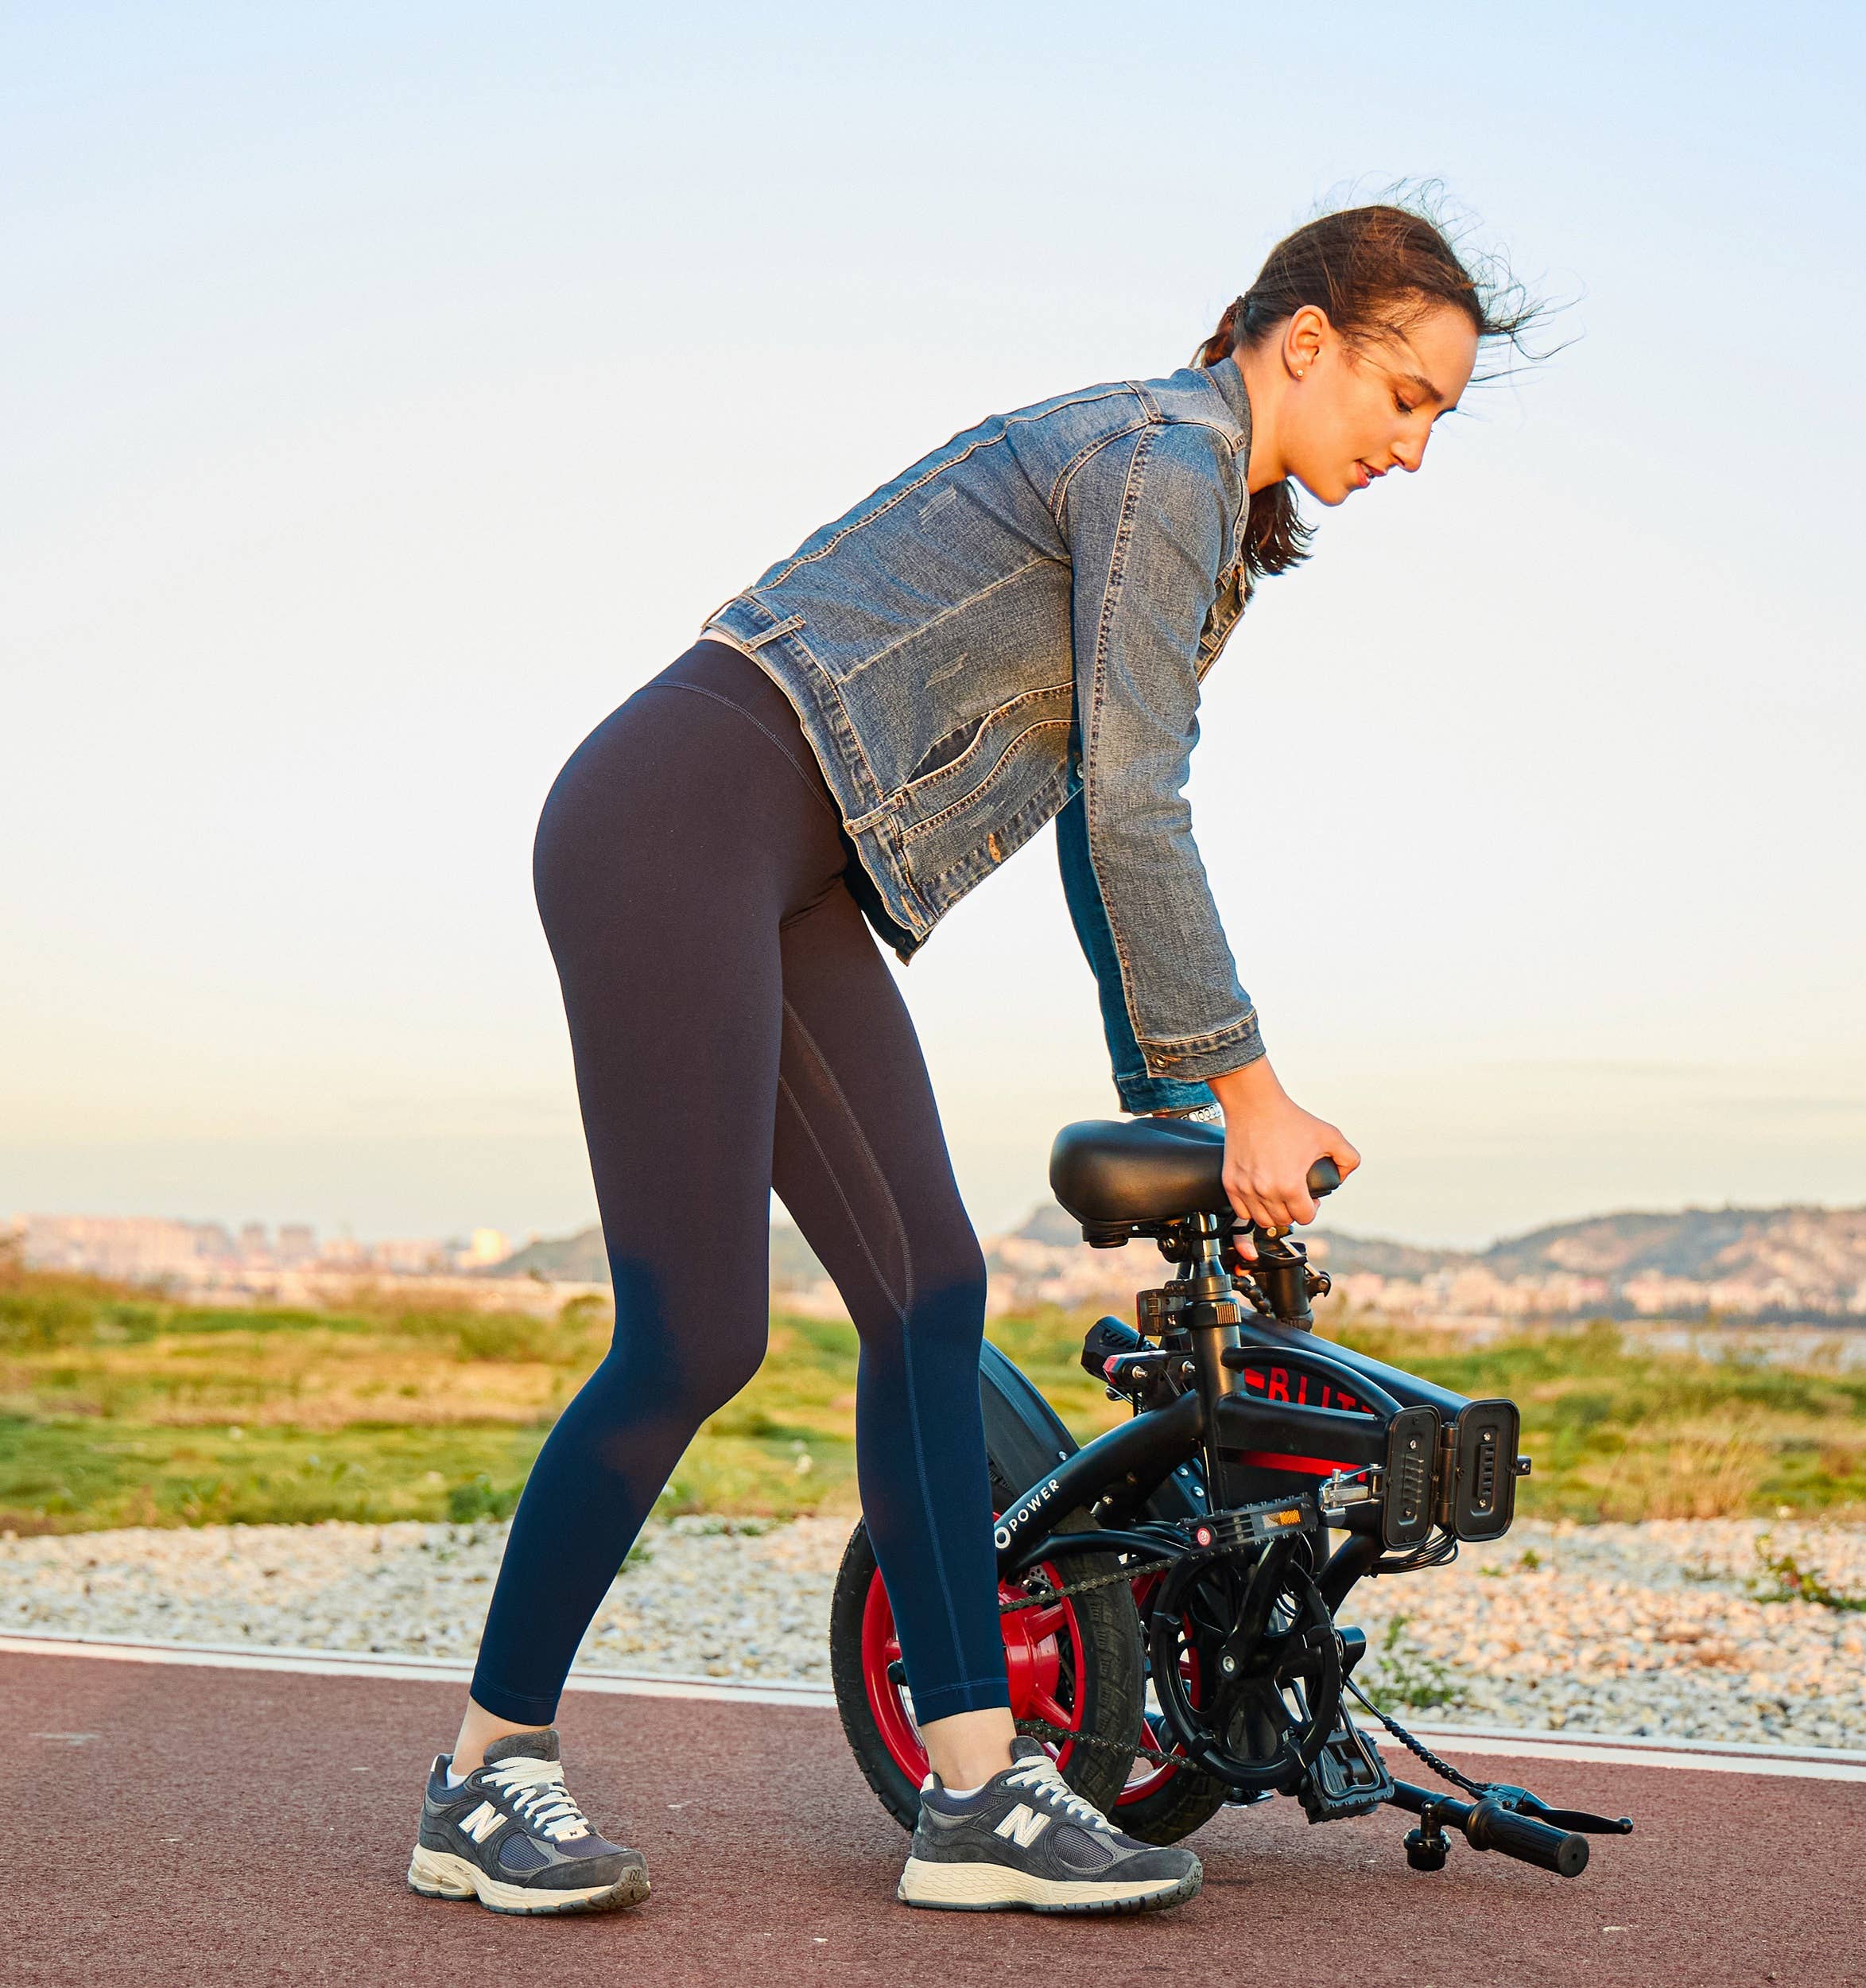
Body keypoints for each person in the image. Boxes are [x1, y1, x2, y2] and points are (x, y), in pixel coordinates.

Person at [406, 198, 1537, 1918]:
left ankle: (973, 1792)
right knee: (693, 1331)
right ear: (1300, 342)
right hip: (679, 809)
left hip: (782, 859)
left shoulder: (1196, 513)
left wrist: (1171, 1093)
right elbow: (1142, 802)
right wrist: (1242, 1092)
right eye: (1406, 396)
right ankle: (482, 1773)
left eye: (1437, 417)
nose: (1412, 446)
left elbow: (1100, 808)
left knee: (930, 1287)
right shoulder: (1163, 457)